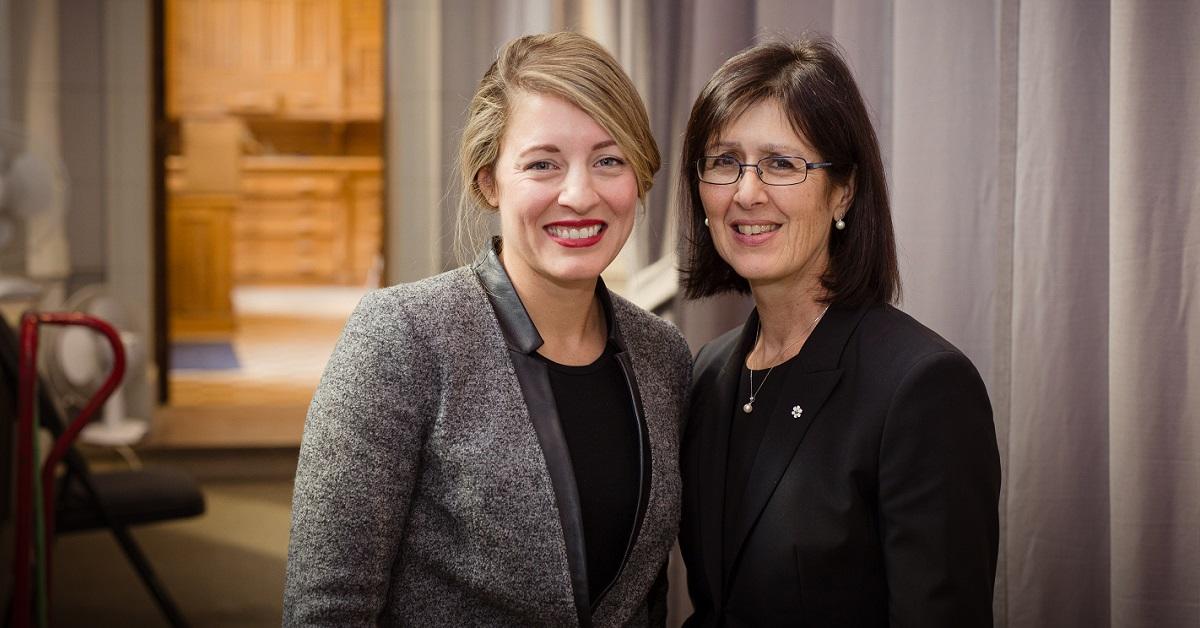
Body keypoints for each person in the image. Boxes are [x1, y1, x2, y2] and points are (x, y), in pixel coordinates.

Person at [283, 32, 691, 627]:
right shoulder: (403, 338)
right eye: (542, 164)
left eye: (609, 160)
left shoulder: (664, 356)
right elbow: (328, 610)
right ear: (489, 182)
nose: (579, 194)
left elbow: (641, 600)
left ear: (639, 177)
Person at [676, 38, 1001, 626]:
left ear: (844, 190)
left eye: (781, 163)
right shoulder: (708, 372)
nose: (747, 192)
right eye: (725, 161)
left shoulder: (921, 387)